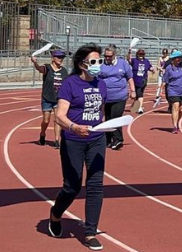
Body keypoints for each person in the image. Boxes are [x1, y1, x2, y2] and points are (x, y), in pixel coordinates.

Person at [48, 43, 108, 251]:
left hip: (97, 139)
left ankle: (90, 232)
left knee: (95, 185)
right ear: (82, 64)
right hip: (74, 140)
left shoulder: (101, 84)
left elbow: (101, 111)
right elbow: (59, 116)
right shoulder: (70, 84)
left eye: (99, 61)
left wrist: (106, 127)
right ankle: (55, 215)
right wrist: (74, 127)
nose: (97, 65)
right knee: (72, 186)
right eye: (93, 61)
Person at [99, 44, 135, 150]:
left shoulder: (123, 64)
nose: (107, 58)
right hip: (105, 97)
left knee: (116, 117)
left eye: (109, 56)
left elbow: (130, 78)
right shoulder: (101, 64)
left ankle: (118, 139)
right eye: (105, 56)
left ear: (114, 55)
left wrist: (133, 91)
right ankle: (107, 139)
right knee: (107, 119)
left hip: (120, 96)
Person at [31, 49, 68, 148]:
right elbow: (40, 69)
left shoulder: (64, 71)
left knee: (57, 119)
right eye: (58, 57)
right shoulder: (47, 68)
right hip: (47, 98)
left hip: (58, 99)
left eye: (62, 57)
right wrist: (35, 63)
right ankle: (42, 133)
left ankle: (56, 140)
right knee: (46, 120)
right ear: (53, 58)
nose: (60, 59)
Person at [126, 48, 154, 114]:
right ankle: (136, 105)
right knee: (135, 95)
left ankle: (140, 108)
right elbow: (128, 59)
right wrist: (129, 52)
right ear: (137, 54)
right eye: (140, 54)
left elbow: (150, 67)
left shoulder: (146, 61)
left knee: (140, 93)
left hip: (142, 80)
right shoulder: (134, 60)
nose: (141, 55)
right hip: (135, 80)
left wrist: (152, 69)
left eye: (142, 54)